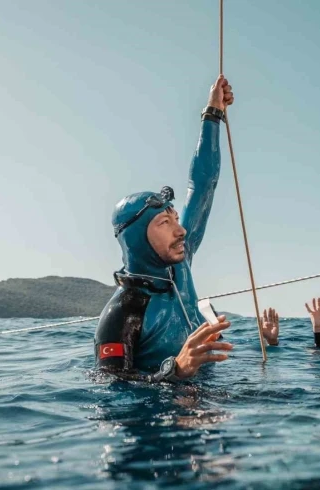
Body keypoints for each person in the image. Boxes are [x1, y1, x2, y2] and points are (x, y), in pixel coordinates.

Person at [94, 75, 235, 383]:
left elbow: (203, 185)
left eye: (176, 219)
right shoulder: (124, 312)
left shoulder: (179, 263)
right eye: (164, 223)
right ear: (137, 239)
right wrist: (175, 370)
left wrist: (212, 113)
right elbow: (109, 387)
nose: (181, 231)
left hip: (208, 396)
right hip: (159, 408)